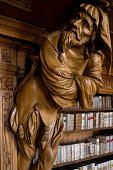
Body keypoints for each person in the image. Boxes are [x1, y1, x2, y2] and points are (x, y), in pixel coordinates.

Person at [10, 2, 112, 170]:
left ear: (93, 35)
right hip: (34, 96)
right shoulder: (52, 40)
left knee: (48, 157)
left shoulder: (93, 56)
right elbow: (61, 86)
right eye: (76, 17)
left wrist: (76, 80)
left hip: (54, 108)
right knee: (26, 153)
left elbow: (95, 84)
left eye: (85, 24)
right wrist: (81, 82)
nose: (75, 24)